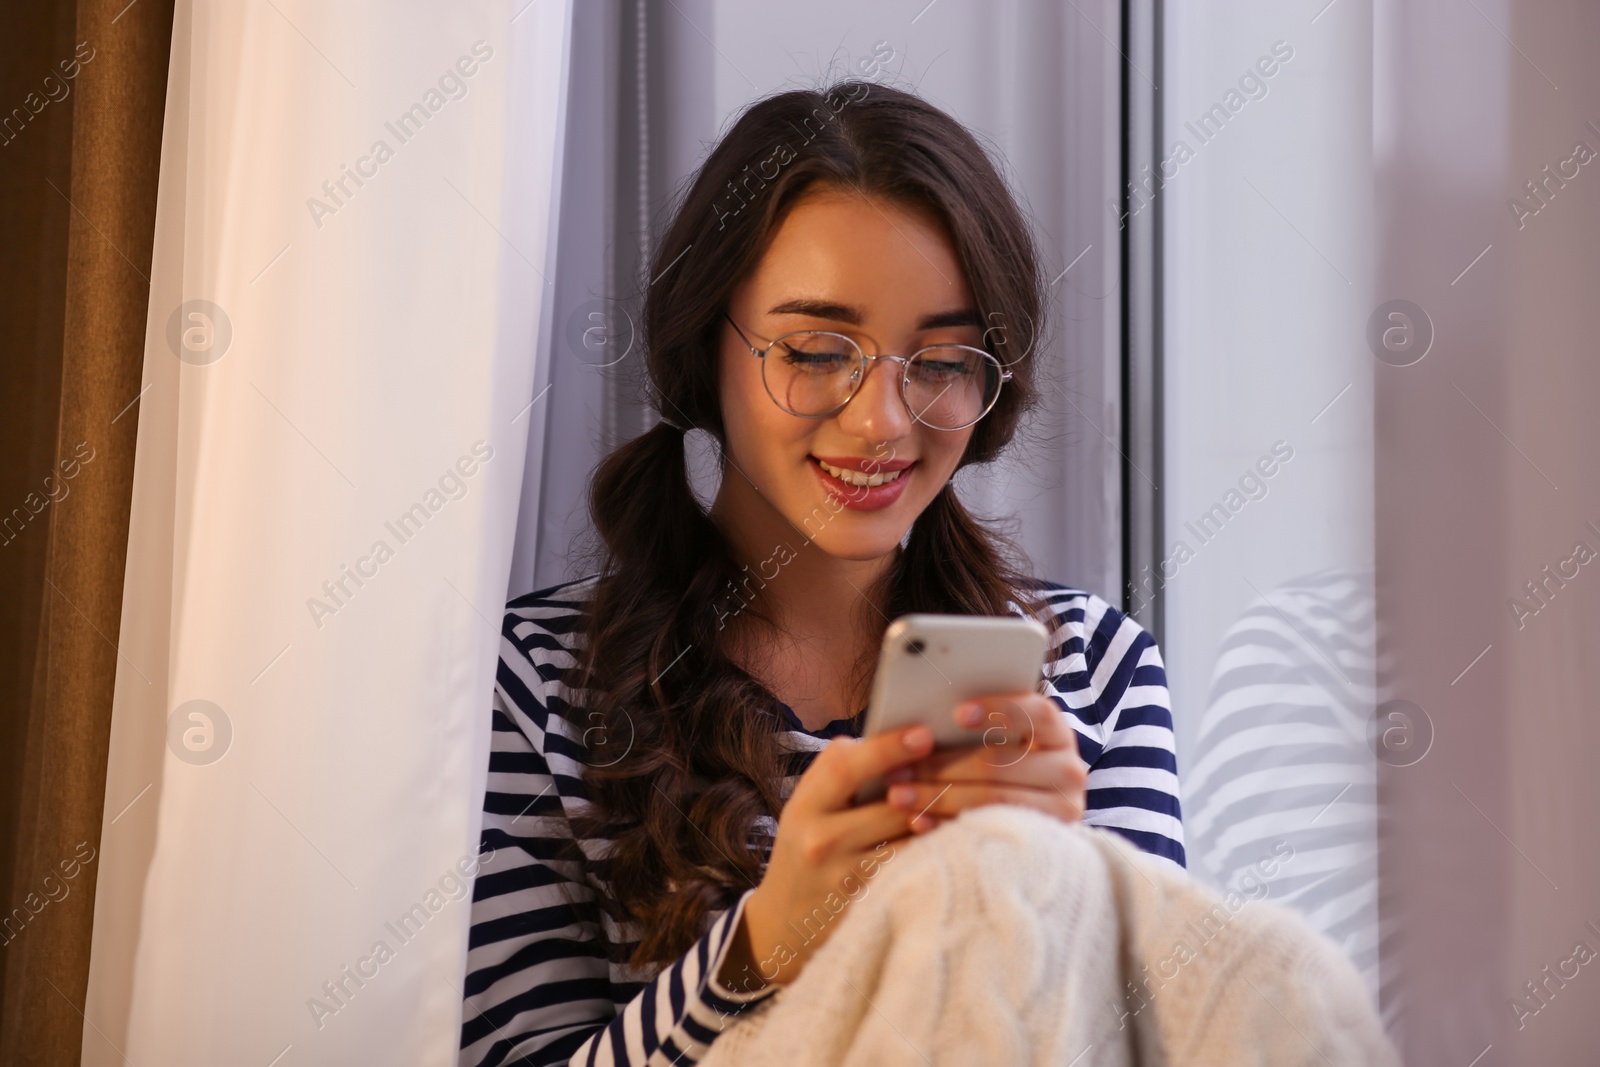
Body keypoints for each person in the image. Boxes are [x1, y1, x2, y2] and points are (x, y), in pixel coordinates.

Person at [458, 78, 1184, 1067]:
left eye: (941, 359)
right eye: (814, 350)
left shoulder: (1095, 674)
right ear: (703, 345)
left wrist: (1061, 902)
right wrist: (759, 948)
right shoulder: (532, 685)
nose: (882, 418)